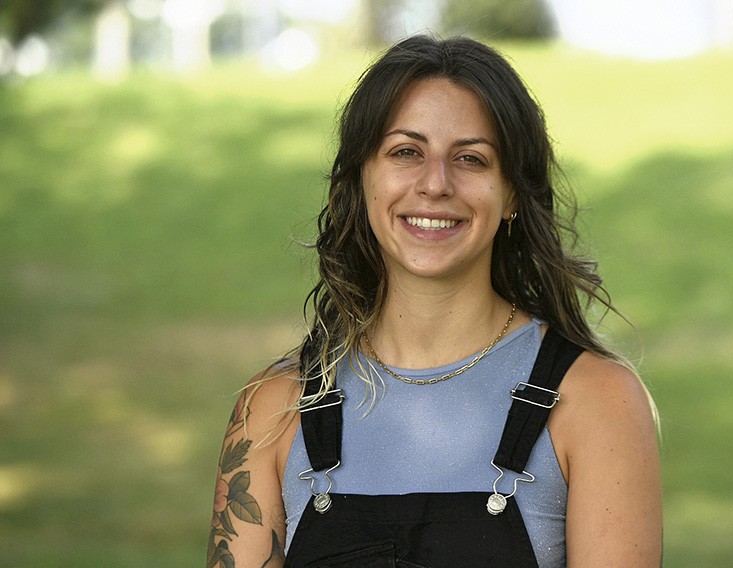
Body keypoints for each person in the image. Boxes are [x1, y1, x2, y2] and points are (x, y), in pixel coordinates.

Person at [207, 35, 662, 568]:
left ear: (512, 194)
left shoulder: (596, 401)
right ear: (362, 177)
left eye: (470, 159)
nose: (435, 184)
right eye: (406, 152)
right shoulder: (272, 411)